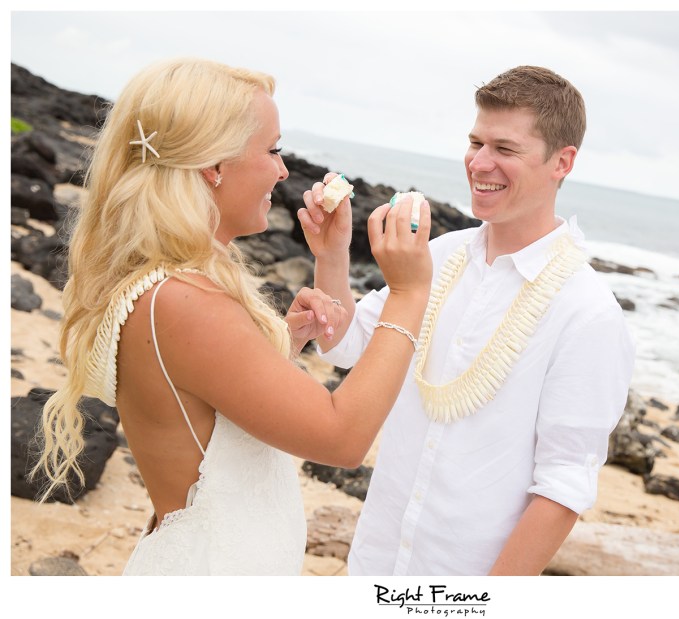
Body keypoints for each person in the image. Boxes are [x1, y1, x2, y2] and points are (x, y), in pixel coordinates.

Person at [29, 58, 433, 576]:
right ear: (214, 166)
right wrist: (408, 291)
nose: (284, 171)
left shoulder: (164, 288)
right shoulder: (183, 301)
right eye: (273, 150)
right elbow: (342, 438)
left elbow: (201, 408)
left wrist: (283, 340)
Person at [298, 65, 635, 575]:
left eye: (504, 148)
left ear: (561, 161)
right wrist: (332, 255)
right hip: (374, 564)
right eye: (475, 142)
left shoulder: (588, 313)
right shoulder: (439, 255)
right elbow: (348, 345)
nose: (479, 163)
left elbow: (564, 486)